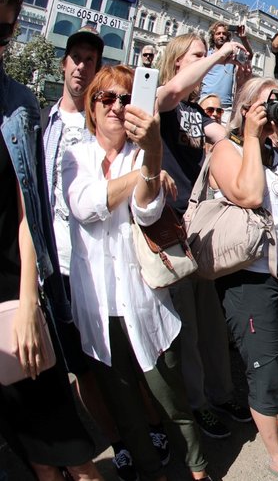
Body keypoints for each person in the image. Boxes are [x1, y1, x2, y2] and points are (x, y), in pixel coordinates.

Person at [62, 65, 210, 480]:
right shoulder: (76, 155)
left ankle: (198, 470)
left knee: (170, 398)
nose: (115, 106)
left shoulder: (144, 150)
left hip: (145, 302)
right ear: (92, 108)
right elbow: (86, 205)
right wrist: (145, 172)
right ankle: (154, 474)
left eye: (125, 98)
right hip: (98, 305)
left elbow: (148, 212)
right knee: (124, 407)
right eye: (105, 98)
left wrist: (153, 153)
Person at [0, 0, 100, 481]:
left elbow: (25, 210)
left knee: (55, 433)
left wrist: (26, 300)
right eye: (75, 56)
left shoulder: (18, 106)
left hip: (14, 288)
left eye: (1, 27)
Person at [43, 28, 145, 478]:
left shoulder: (106, 126)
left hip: (93, 264)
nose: (81, 66)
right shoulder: (41, 120)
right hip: (51, 264)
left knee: (117, 364)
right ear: (64, 63)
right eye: (75, 57)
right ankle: (119, 441)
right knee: (80, 368)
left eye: (91, 59)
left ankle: (140, 435)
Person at [209, 77, 278, 480]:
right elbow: (250, 195)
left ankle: (277, 417)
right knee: (265, 366)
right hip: (248, 278)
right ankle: (276, 454)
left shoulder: (277, 152)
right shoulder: (228, 148)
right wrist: (251, 136)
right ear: (245, 106)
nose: (275, 106)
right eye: (266, 101)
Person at [156, 31, 252, 439]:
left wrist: (243, 82)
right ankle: (196, 405)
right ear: (178, 60)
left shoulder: (196, 111)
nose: (206, 62)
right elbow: (172, 90)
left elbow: (227, 134)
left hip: (197, 228)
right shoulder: (158, 97)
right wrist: (218, 55)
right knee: (188, 329)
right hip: (166, 231)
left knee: (210, 322)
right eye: (197, 55)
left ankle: (221, 392)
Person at [200, 21, 253, 112]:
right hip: (206, 102)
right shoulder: (206, 55)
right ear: (213, 36)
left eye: (224, 34)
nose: (221, 36)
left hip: (225, 105)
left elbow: (249, 56)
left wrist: (243, 39)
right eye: (218, 33)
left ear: (228, 36)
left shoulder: (232, 57)